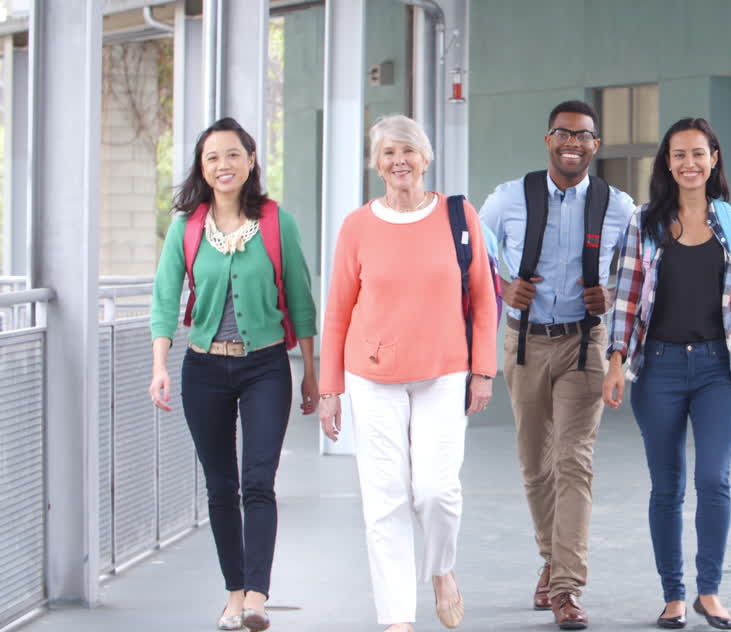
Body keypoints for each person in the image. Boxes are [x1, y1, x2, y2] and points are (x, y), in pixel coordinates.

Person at [317, 115, 498, 632]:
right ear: (377, 164)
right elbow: (337, 311)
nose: (400, 161)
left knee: (437, 491)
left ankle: (441, 569)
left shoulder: (459, 216)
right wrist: (330, 388)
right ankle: (397, 617)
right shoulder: (357, 225)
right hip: (371, 376)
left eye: (409, 151)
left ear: (426, 158)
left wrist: (483, 371)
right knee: (385, 498)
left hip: (444, 371)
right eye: (389, 152)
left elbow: (485, 296)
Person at [148, 117, 318, 632]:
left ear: (250, 162)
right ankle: (234, 594)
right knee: (220, 487)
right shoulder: (187, 227)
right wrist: (159, 365)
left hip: (265, 365)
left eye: (232, 155)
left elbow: (303, 301)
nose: (223, 165)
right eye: (211, 158)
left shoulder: (275, 222)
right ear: (203, 169)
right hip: (203, 368)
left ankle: (259, 596)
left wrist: (311, 373)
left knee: (258, 481)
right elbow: (163, 300)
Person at [603, 118, 731, 631]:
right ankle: (674, 595)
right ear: (667, 163)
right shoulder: (645, 222)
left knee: (714, 479)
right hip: (659, 369)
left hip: (720, 367)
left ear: (714, 158)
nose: (689, 163)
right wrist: (614, 361)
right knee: (667, 486)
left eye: (699, 153)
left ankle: (709, 591)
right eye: (679, 155)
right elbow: (626, 299)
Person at [479, 100, 635, 630]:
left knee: (575, 461)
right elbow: (470, 254)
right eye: (563, 134)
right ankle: (550, 556)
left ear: (596, 144)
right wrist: (504, 286)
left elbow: (641, 269)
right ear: (548, 140)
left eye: (584, 136)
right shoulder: (508, 199)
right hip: (524, 342)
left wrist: (610, 294)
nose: (573, 143)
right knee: (534, 463)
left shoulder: (619, 207)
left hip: (584, 345)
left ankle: (567, 585)